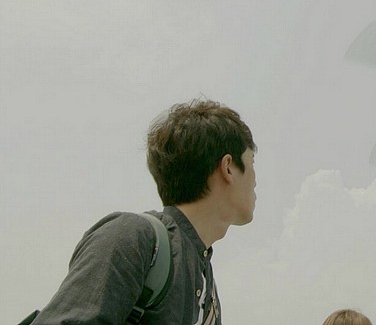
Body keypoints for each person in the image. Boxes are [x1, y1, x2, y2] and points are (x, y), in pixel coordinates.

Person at [31, 99, 257, 324]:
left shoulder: (207, 286)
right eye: (252, 162)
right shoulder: (132, 237)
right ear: (228, 167)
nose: (256, 180)